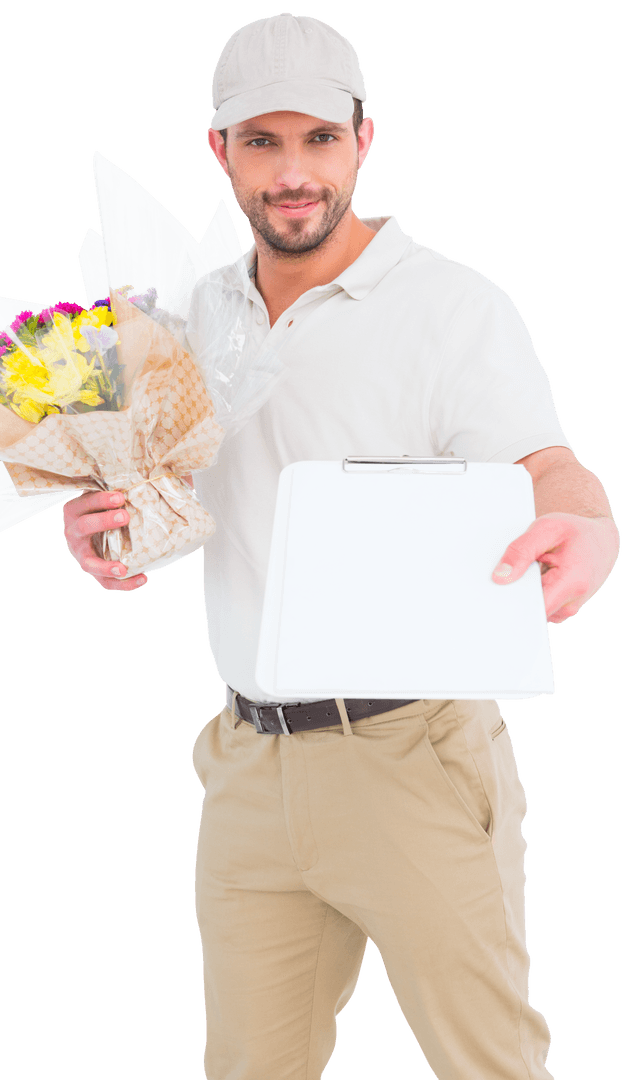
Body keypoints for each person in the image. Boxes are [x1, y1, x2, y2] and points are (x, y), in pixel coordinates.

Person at [62, 13, 620, 1080]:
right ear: (218, 152)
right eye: (261, 142)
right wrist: (97, 523)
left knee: (487, 1066)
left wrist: (587, 523)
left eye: (317, 138)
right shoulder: (179, 319)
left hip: (410, 759)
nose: (292, 173)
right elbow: (152, 488)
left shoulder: (448, 308)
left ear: (362, 140)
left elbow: (545, 463)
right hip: (244, 767)